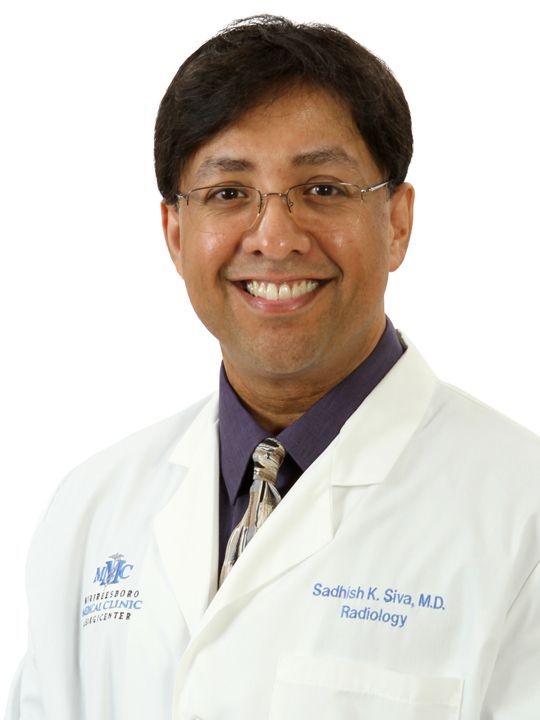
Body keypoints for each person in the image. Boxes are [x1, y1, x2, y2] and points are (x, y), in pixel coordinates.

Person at [5, 14, 540, 720]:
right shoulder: (93, 510)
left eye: (322, 188)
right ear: (174, 233)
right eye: (229, 193)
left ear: (398, 222)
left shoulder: (520, 513)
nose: (275, 237)